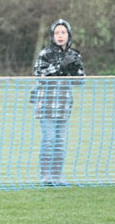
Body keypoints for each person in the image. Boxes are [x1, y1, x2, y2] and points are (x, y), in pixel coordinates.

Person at [31, 19, 85, 186]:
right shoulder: (45, 54)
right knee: (49, 139)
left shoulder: (74, 55)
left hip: (63, 105)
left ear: (68, 35)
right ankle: (45, 176)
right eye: (57, 33)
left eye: (63, 32)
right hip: (46, 105)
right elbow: (39, 75)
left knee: (60, 142)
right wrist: (59, 67)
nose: (60, 36)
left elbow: (80, 81)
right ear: (52, 36)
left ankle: (57, 176)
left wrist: (74, 70)